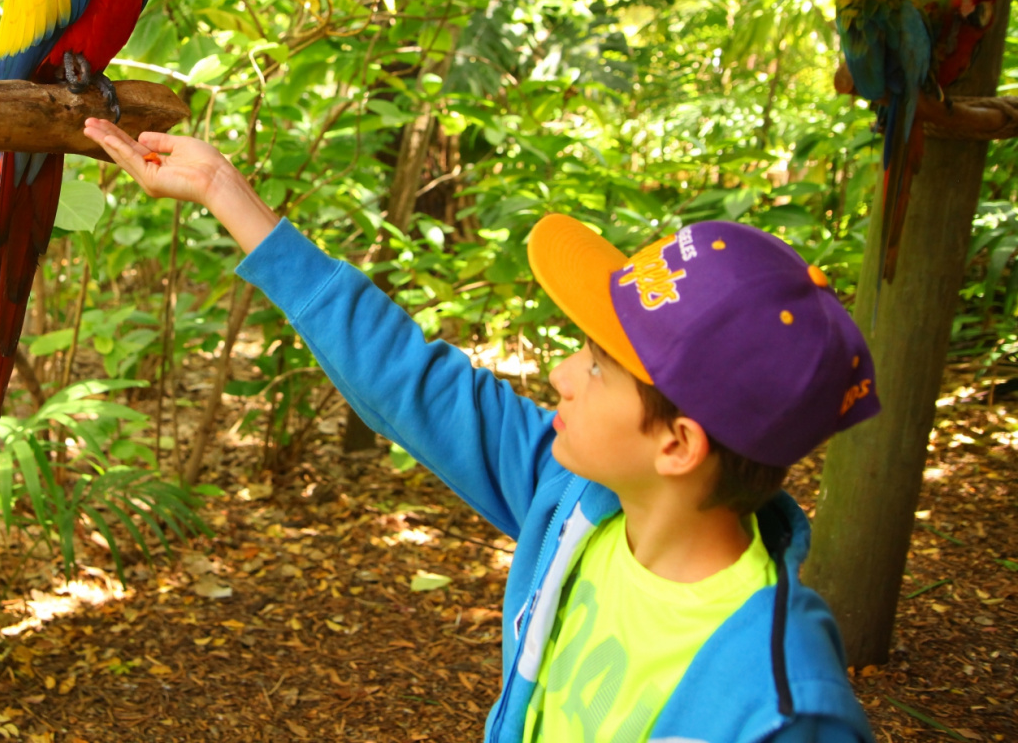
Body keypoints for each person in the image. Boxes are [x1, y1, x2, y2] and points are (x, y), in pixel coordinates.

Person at [83, 117, 881, 743]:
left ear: (677, 445)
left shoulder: (783, 701)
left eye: (598, 367)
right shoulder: (577, 496)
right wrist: (226, 191)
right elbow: (411, 381)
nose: (564, 374)